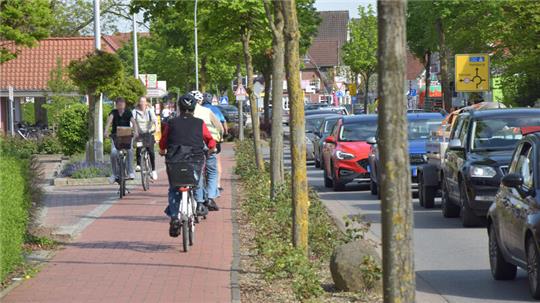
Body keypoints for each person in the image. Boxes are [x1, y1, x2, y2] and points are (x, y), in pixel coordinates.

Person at [159, 93, 217, 237]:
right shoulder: (199, 123)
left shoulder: (171, 123)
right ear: (193, 108)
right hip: (194, 160)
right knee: (196, 182)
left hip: (175, 161)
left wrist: (162, 150)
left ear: (179, 107)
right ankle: (198, 205)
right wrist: (211, 149)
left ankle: (174, 217)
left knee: (174, 188)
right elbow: (210, 140)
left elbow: (163, 141)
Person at [190, 90, 224, 211]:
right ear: (200, 101)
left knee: (197, 173)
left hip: (193, 146)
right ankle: (210, 197)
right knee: (212, 171)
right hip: (209, 144)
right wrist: (221, 136)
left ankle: (199, 201)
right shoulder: (207, 111)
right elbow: (219, 126)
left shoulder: (186, 112)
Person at [104, 97, 139, 184]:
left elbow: (133, 122)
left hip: (126, 136)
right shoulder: (113, 113)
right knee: (113, 153)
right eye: (119, 105)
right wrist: (105, 132)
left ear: (124, 105)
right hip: (116, 137)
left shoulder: (128, 112)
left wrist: (136, 132)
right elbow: (109, 122)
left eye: (122, 104)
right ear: (116, 105)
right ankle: (114, 174)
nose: (120, 106)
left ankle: (130, 172)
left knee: (130, 150)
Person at [202, 92, 228, 191]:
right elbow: (223, 122)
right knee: (217, 160)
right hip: (214, 139)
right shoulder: (216, 110)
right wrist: (225, 133)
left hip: (201, 138)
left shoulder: (198, 110)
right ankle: (217, 184)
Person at [132, 96, 158, 180]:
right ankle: (139, 164)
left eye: (144, 102)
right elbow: (132, 121)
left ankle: (153, 170)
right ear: (139, 103)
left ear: (146, 103)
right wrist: (132, 130)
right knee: (139, 147)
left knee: (151, 151)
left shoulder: (150, 111)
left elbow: (154, 120)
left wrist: (156, 127)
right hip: (139, 133)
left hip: (149, 132)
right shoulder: (135, 111)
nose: (142, 103)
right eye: (141, 102)